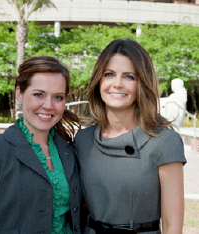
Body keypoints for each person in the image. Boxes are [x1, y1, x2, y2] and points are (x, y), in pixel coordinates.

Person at [74, 39, 186, 234]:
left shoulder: (165, 141)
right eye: (109, 74)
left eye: (129, 77)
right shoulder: (83, 140)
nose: (117, 84)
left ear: (142, 83)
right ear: (98, 81)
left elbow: (172, 226)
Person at [0, 56, 81, 234]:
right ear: (19, 93)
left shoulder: (70, 150)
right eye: (38, 94)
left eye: (58, 97)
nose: (49, 105)